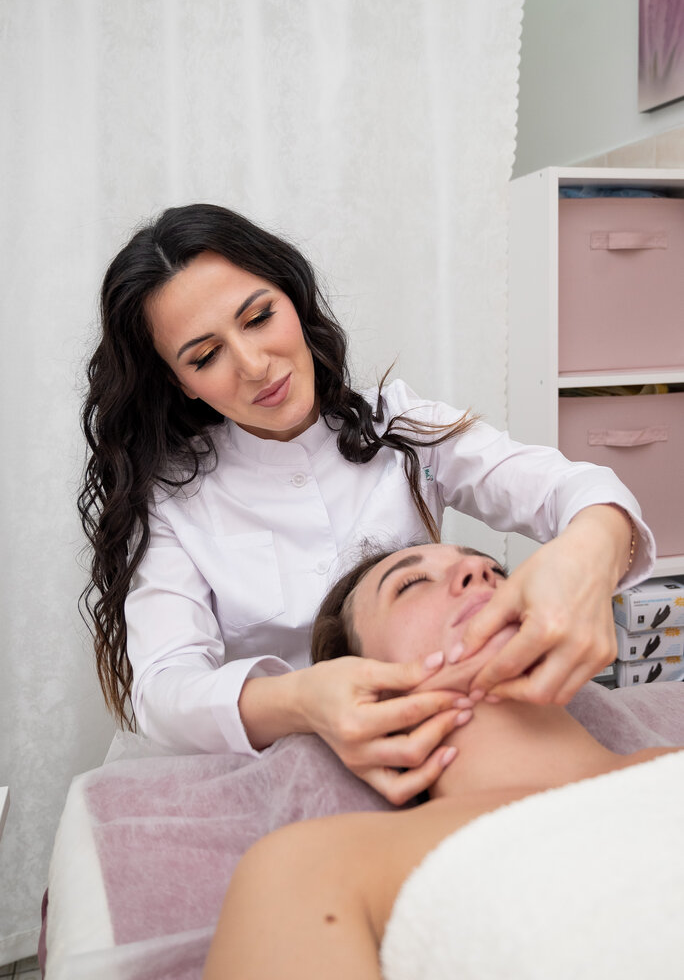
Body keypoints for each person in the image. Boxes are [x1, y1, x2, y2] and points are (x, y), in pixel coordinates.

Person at [78, 202, 654, 804]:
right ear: (179, 381)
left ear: (293, 297)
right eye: (205, 356)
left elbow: (571, 489)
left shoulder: (401, 425)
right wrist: (303, 700)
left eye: (259, 317)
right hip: (279, 773)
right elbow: (165, 691)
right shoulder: (173, 498)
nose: (254, 365)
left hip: (451, 741)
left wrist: (587, 554)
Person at [202, 543, 681, 980]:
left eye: (497, 570)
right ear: (363, 687)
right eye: (411, 584)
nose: (479, 569)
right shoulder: (317, 864)